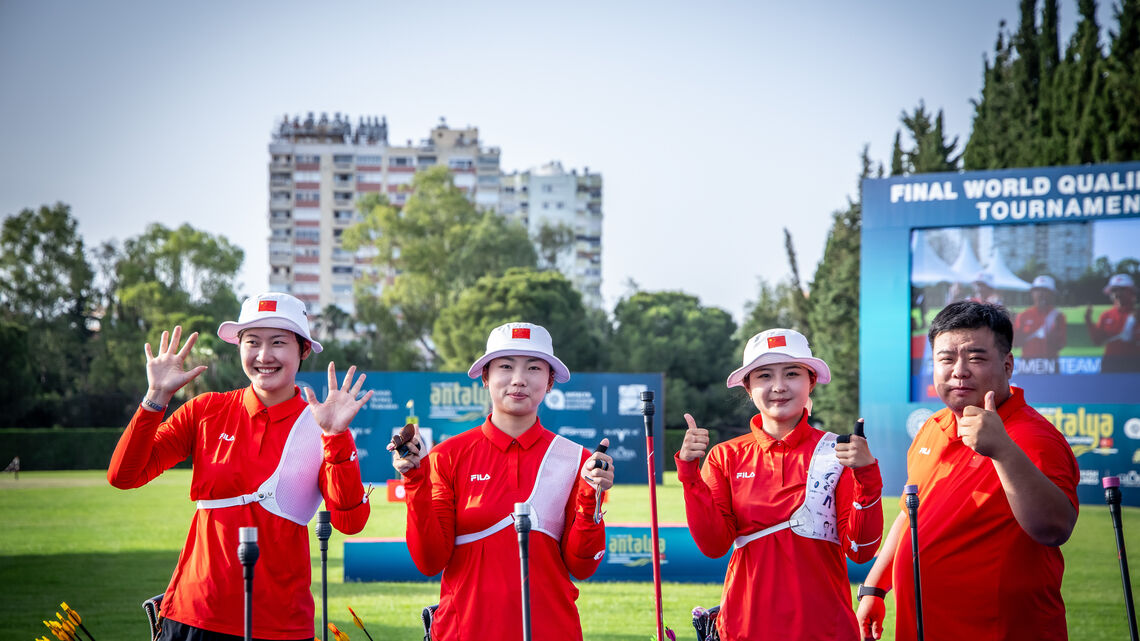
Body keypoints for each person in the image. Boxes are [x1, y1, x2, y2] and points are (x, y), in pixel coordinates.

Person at [108, 293, 373, 641]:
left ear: (303, 350)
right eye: (252, 342)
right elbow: (123, 476)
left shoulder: (320, 425)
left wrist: (336, 438)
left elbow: (349, 522)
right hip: (194, 614)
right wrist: (155, 397)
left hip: (280, 625)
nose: (264, 356)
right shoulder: (205, 410)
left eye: (278, 342)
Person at [857, 301, 1079, 641]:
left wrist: (1002, 451)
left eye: (975, 358)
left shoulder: (1034, 438)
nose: (959, 370)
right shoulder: (933, 426)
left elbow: (1054, 528)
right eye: (946, 359)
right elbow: (909, 514)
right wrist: (874, 587)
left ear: (1007, 365)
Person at [392, 322, 614, 641]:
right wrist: (414, 480)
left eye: (534, 368)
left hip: (551, 631)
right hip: (463, 631)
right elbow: (429, 561)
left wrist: (590, 497)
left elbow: (582, 567)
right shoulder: (447, 456)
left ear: (550, 381)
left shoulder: (576, 460)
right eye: (506, 366)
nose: (519, 379)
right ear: (485, 377)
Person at [677, 328, 883, 640]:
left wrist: (867, 476)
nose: (778, 387)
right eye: (763, 376)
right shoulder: (725, 456)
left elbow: (861, 551)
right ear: (748, 387)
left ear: (811, 381)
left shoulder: (837, 453)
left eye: (791, 374)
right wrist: (690, 476)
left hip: (825, 628)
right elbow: (713, 545)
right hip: (745, 626)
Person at [1084, 273, 1139, 373]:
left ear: (1131, 292)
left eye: (1122, 289)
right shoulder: (1106, 315)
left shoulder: (1137, 315)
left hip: (1134, 362)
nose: (1117, 293)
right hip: (1110, 363)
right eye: (1114, 290)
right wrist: (1088, 320)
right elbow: (1097, 341)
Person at [1013, 275, 1067, 361]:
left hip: (1050, 365)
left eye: (1045, 290)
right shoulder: (1023, 315)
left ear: (1052, 294)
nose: (1040, 294)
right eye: (1037, 290)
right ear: (1032, 293)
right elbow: (1015, 344)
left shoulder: (1058, 316)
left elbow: (1060, 345)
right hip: (1028, 365)